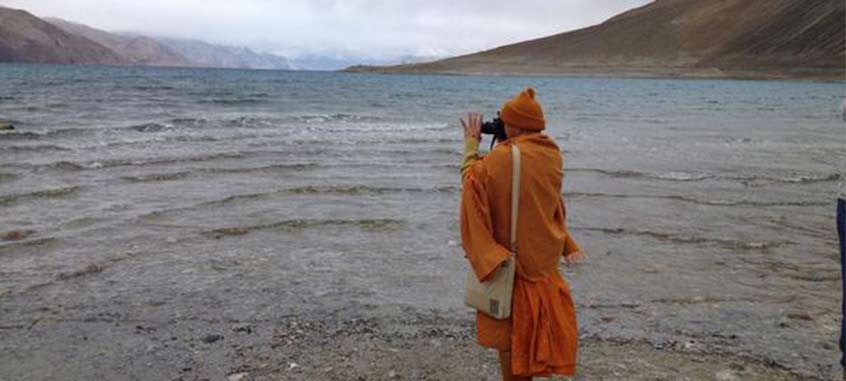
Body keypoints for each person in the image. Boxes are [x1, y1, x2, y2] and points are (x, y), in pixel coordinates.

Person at [459, 87, 584, 380]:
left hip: (513, 266)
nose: (499, 124)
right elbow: (544, 200)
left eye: (503, 120)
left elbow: (471, 181)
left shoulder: (502, 158)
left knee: (511, 339)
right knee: (531, 336)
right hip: (542, 263)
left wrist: (470, 146)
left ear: (514, 124)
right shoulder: (551, 154)